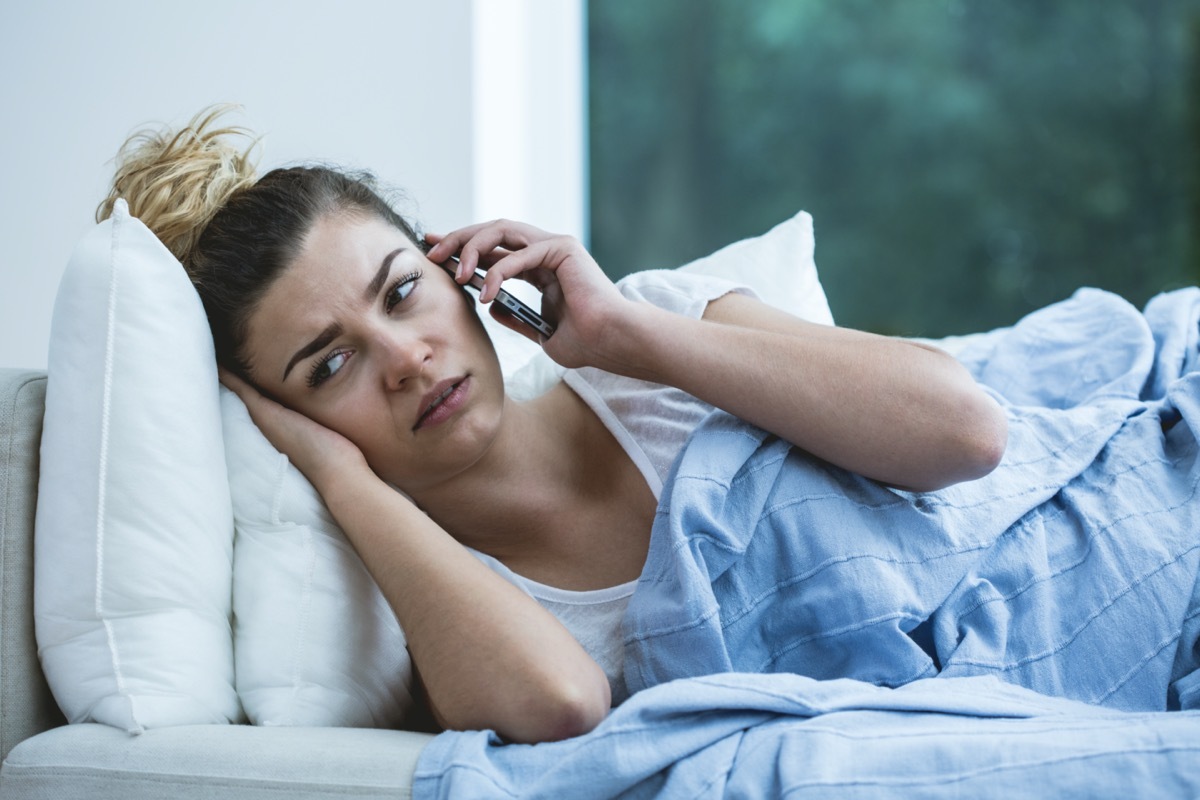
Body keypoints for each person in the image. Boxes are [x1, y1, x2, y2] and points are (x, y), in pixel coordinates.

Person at [98, 106, 1008, 744]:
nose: (408, 359)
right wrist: (334, 475)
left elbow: (967, 432)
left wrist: (625, 333)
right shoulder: (431, 600)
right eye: (330, 366)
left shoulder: (650, 337)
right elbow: (563, 703)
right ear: (289, 420)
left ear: (458, 265)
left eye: (404, 290)